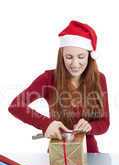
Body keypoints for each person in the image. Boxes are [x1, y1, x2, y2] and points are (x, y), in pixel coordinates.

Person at [8, 20, 110, 153]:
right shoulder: (48, 79)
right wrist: (46, 124)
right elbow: (16, 106)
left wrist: (90, 126)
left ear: (89, 57)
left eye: (81, 57)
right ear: (61, 56)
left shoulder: (99, 79)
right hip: (59, 154)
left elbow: (104, 123)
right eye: (68, 57)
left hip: (90, 153)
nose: (75, 63)